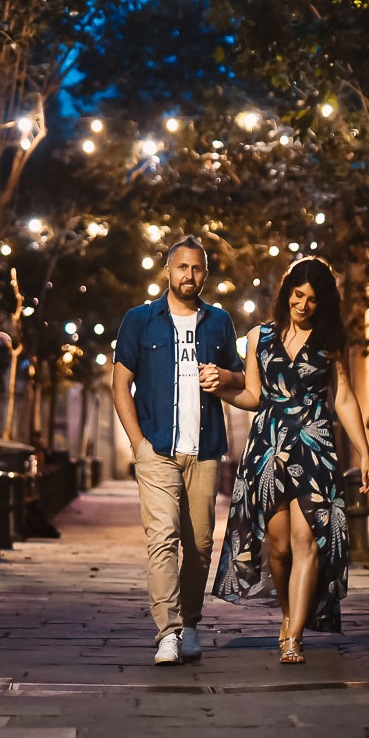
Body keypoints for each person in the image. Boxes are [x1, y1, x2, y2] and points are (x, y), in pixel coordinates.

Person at [213, 257, 369, 663]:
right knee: (279, 547)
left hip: (316, 447)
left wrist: (365, 451)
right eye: (298, 296)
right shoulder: (258, 338)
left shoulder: (329, 342)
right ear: (286, 293)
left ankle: (293, 638)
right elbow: (252, 396)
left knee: (307, 542)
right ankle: (288, 615)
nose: (303, 305)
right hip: (268, 449)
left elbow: (344, 398)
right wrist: (219, 391)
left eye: (313, 300)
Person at [111, 236, 246, 665]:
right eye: (182, 267)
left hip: (204, 450)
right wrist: (138, 445)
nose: (190, 276)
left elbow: (240, 381)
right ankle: (166, 631)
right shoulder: (139, 320)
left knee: (200, 544)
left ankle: (189, 623)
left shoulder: (220, 322)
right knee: (163, 539)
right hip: (157, 449)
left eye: (198, 269)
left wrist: (222, 375)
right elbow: (120, 385)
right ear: (168, 270)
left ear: (206, 274)